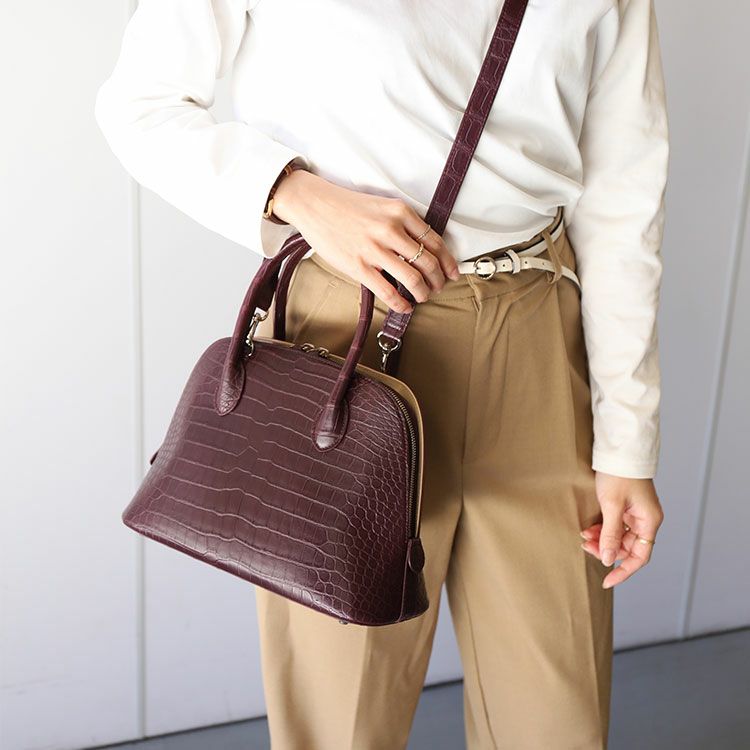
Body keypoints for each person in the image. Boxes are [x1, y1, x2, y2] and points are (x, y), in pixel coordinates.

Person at [95, 0, 668, 747]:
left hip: (537, 335)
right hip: (346, 339)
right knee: (339, 718)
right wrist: (300, 195)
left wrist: (627, 442)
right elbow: (140, 106)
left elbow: (625, 198)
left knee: (557, 719)